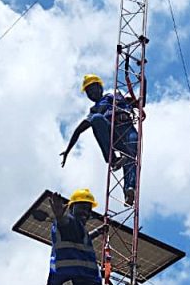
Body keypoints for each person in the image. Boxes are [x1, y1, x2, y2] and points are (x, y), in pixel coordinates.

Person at [59, 73, 146, 207]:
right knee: (96, 119)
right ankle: (113, 160)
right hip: (112, 132)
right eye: (88, 92)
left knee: (131, 156)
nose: (91, 93)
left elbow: (141, 102)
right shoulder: (94, 110)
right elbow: (79, 130)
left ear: (100, 87)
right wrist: (67, 150)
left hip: (126, 128)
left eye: (93, 88)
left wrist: (143, 81)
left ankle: (130, 190)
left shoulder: (115, 96)